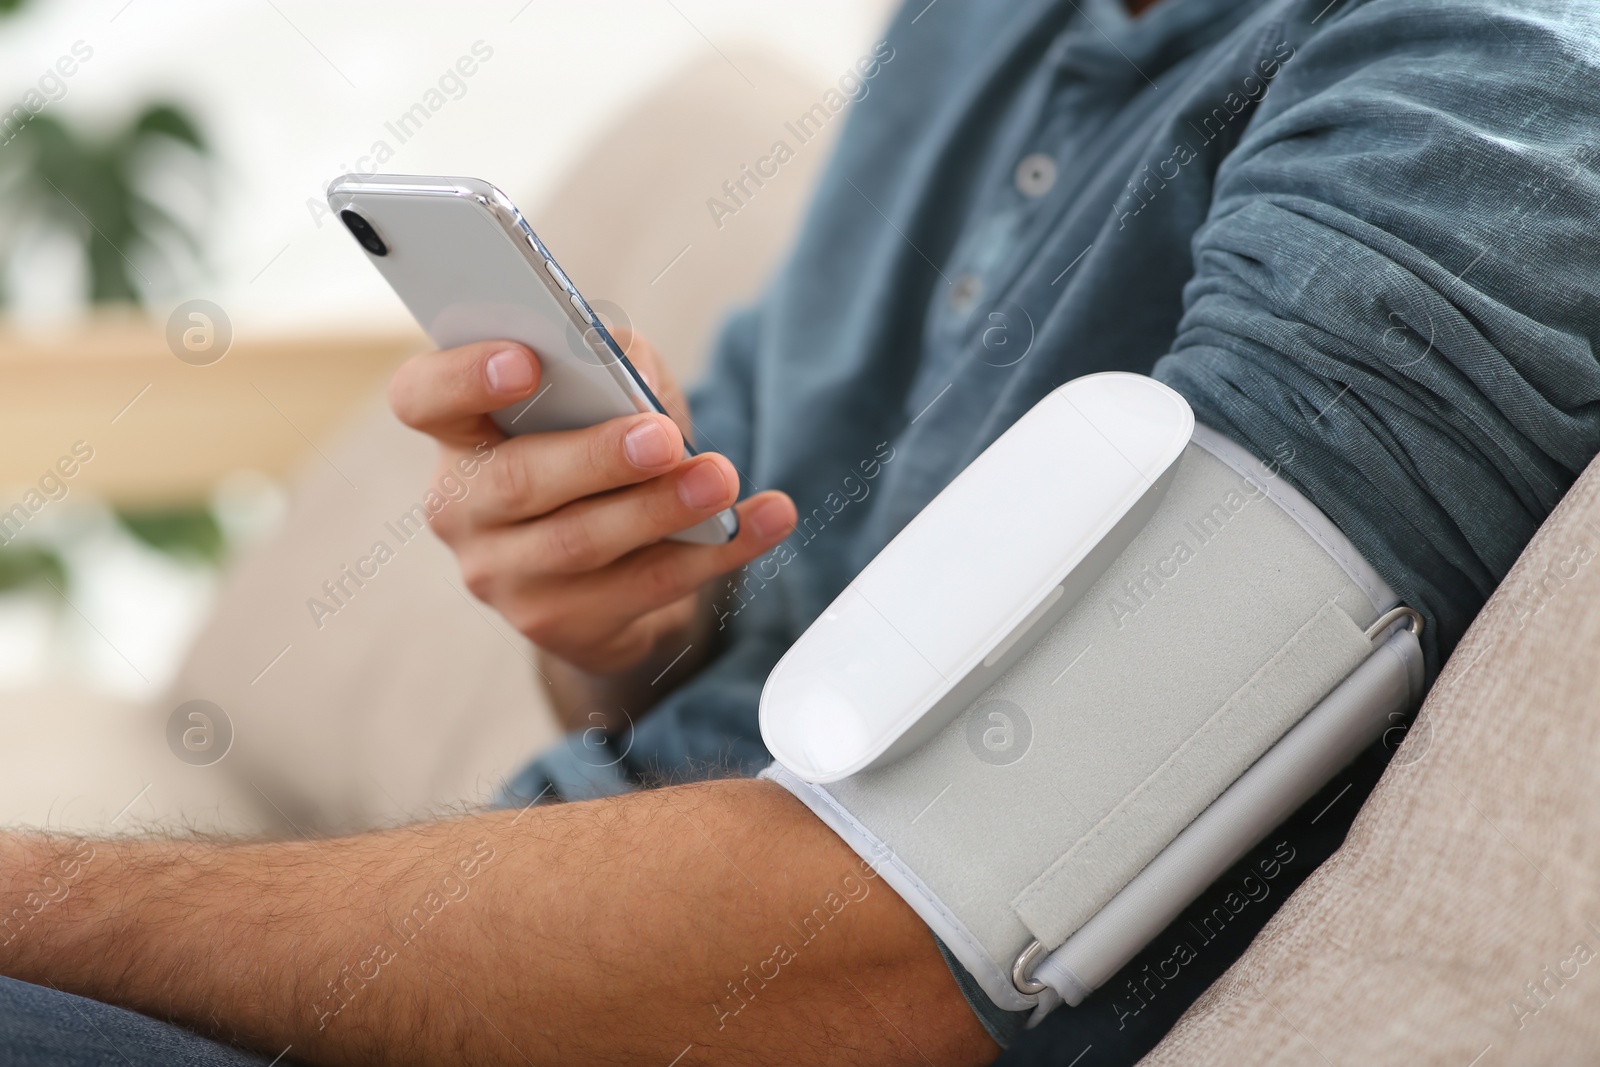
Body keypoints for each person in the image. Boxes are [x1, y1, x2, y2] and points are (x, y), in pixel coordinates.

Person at [4, 0, 1599, 1062]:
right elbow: (726, 647)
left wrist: (41, 902)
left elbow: (923, 924)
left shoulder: (1492, 110)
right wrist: (623, 627)